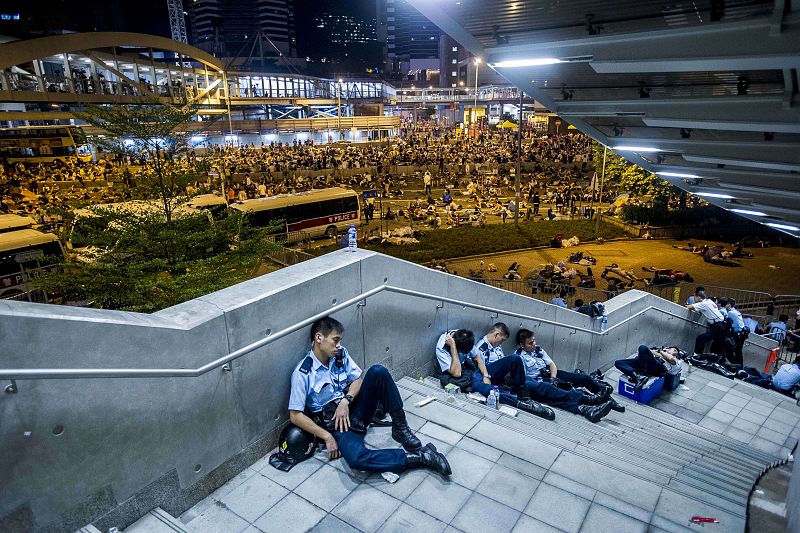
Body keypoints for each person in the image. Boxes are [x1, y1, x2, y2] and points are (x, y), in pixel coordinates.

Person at [286, 316, 451, 476]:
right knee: (357, 459)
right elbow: (295, 415)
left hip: (356, 410)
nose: (339, 345)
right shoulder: (303, 373)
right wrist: (327, 436)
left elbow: (358, 379)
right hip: (339, 427)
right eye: (335, 340)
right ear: (319, 337)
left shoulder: (340, 354)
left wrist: (346, 400)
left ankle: (400, 428)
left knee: (377, 372)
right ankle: (422, 457)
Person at [435, 323, 555, 419]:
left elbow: (477, 358)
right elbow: (456, 373)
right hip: (465, 377)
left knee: (515, 359)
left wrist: (486, 375)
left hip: (474, 370)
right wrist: (453, 348)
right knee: (489, 391)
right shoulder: (443, 348)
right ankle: (518, 403)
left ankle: (525, 398)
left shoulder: (463, 336)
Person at [514, 329, 620, 422]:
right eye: (530, 343)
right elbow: (525, 379)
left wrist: (553, 378)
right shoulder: (519, 357)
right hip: (540, 381)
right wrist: (548, 382)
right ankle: (590, 405)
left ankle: (607, 399)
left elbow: (551, 364)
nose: (533, 344)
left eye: (534, 341)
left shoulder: (538, 349)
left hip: (551, 374)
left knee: (584, 378)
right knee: (563, 392)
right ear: (522, 345)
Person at [615, 345, 683, 392]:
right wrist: (653, 351)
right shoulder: (660, 353)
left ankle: (642, 375)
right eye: (673, 349)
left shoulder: (675, 360)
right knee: (618, 363)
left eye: (675, 351)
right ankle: (636, 377)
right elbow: (642, 351)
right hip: (644, 364)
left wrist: (661, 351)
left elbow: (669, 358)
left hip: (656, 368)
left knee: (642, 347)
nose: (674, 352)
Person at [686, 291, 726, 356]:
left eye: (694, 297)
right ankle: (699, 356)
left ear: (698, 297)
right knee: (716, 346)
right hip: (721, 325)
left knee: (700, 339)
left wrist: (687, 305)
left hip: (717, 326)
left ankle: (697, 356)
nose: (694, 299)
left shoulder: (704, 304)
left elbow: (689, 307)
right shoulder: (709, 301)